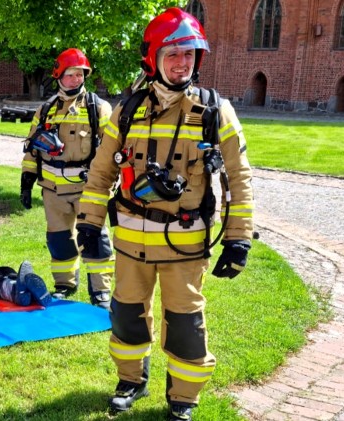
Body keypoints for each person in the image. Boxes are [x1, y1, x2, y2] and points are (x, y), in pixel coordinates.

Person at [76, 8, 254, 421]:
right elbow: (101, 170)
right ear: (153, 58)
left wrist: (238, 237)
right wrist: (88, 223)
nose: (182, 63)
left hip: (185, 245)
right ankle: (131, 380)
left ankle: (183, 399)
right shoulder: (127, 109)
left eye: (189, 54)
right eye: (173, 54)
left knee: (186, 323)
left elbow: (240, 179)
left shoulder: (215, 111)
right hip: (131, 245)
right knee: (126, 314)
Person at [20, 48, 114, 308]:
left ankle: (101, 292)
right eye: (70, 74)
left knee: (94, 238)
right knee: (59, 238)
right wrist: (26, 180)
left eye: (80, 74)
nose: (75, 79)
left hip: (87, 189)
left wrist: (110, 184)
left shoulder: (99, 108)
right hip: (53, 191)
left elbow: (113, 150)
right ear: (58, 75)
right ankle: (64, 284)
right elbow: (32, 147)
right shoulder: (46, 109)